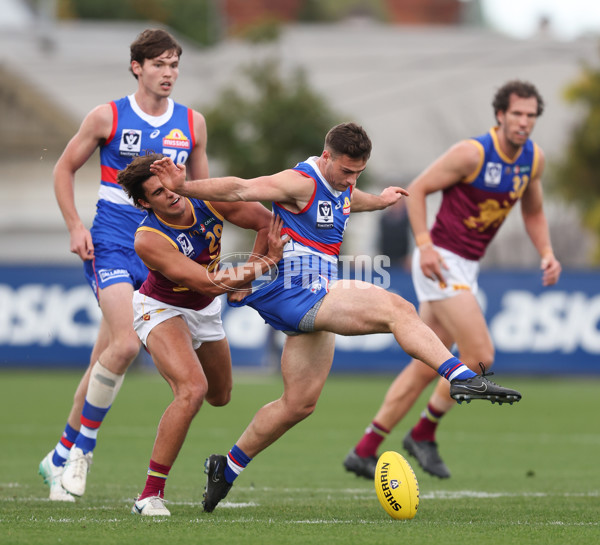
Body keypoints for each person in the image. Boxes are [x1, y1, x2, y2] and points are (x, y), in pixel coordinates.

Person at [149, 122, 522, 513]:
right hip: (295, 286)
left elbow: (346, 200)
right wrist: (184, 187)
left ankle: (226, 469)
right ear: (326, 157)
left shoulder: (342, 185)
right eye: (346, 170)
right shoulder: (300, 182)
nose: (351, 179)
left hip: (312, 291)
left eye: (358, 172)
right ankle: (460, 377)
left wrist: (378, 200)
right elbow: (242, 187)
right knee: (398, 309)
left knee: (299, 404)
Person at [343, 80, 562, 481]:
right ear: (500, 115)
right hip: (441, 261)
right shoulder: (472, 153)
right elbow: (420, 188)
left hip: (468, 266)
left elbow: (533, 211)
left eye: (531, 115)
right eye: (517, 113)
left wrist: (546, 252)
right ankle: (423, 432)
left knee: (427, 366)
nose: (524, 122)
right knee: (480, 356)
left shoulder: (534, 161)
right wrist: (424, 246)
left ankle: (365, 449)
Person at [38, 28, 208, 502]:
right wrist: (75, 225)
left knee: (104, 359)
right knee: (127, 346)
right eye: (159, 64)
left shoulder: (192, 124)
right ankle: (81, 455)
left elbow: (205, 192)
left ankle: (57, 457)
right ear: (137, 67)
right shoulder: (107, 116)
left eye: (174, 64)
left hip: (160, 250)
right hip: (112, 244)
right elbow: (63, 168)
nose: (168, 73)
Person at [115, 153, 285, 516]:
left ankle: (178, 373)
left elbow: (269, 223)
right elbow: (204, 282)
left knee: (220, 396)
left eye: (172, 185)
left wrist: (249, 275)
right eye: (159, 193)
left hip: (205, 310)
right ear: (145, 202)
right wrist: (262, 265)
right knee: (192, 390)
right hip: (161, 309)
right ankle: (149, 495)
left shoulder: (209, 198)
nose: (171, 195)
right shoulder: (148, 238)